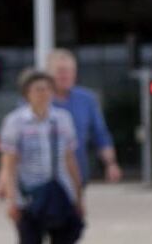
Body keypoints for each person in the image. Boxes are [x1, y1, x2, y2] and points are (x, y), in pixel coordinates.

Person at [0, 70, 84, 244]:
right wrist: (12, 200)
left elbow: (70, 159)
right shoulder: (15, 122)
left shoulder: (62, 119)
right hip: (29, 195)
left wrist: (78, 196)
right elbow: (9, 165)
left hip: (60, 191)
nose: (43, 94)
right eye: (38, 89)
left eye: (47, 89)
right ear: (27, 93)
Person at [46, 50, 121, 187]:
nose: (66, 75)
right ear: (48, 74)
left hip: (77, 174)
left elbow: (100, 134)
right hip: (43, 177)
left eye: (70, 71)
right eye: (61, 71)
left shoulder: (87, 99)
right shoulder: (37, 100)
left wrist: (111, 164)